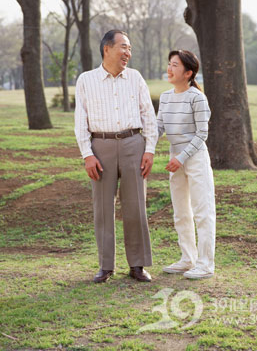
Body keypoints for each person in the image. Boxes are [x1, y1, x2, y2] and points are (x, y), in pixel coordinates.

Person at [75, 29, 158, 283]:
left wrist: (150, 149)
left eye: (130, 48)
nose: (128, 53)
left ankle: (137, 265)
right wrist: (87, 154)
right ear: (107, 49)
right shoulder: (86, 80)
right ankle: (105, 266)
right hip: (101, 147)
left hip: (134, 144)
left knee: (136, 208)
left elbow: (148, 116)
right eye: (124, 46)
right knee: (102, 208)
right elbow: (80, 121)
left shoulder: (135, 78)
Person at [157, 50, 216, 279]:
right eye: (169, 64)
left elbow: (202, 133)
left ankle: (205, 264)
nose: (169, 69)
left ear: (188, 73)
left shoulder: (197, 98)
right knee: (181, 212)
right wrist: (147, 150)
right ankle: (187, 259)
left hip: (195, 158)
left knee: (203, 212)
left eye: (175, 65)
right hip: (175, 158)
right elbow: (158, 126)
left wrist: (181, 158)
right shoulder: (165, 97)